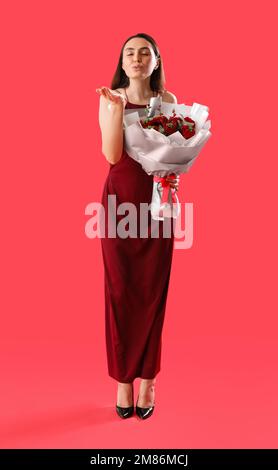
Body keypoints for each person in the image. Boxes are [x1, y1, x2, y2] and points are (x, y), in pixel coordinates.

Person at [96, 32, 179, 420]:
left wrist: (174, 175)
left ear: (156, 61)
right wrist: (115, 111)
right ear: (122, 61)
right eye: (129, 52)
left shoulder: (170, 102)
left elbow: (173, 154)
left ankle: (148, 379)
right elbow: (113, 155)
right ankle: (123, 380)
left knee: (152, 290)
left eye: (144, 52)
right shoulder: (110, 98)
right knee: (119, 291)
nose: (136, 58)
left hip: (158, 204)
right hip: (119, 203)